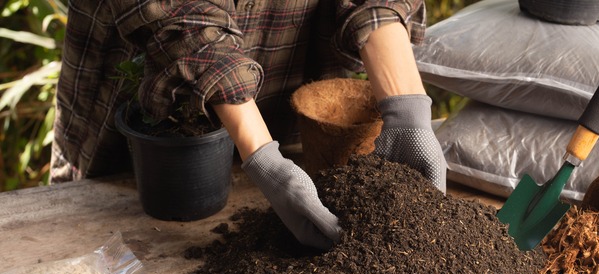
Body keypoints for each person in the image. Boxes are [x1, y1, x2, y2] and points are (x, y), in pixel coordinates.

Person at [51, 0, 447, 250]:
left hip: (289, 100)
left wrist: (407, 111)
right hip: (156, 127)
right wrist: (263, 156)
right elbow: (175, 14)